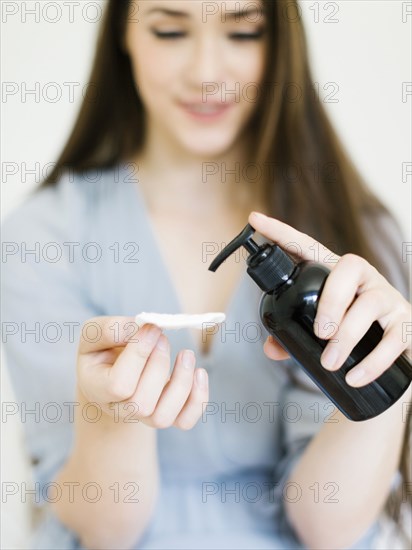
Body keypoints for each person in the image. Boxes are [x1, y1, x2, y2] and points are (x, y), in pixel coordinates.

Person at [2, 1, 411, 549]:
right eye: (170, 31)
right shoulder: (42, 238)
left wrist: (385, 379)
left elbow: (329, 527)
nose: (205, 73)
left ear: (279, 44)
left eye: (242, 33)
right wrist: (111, 419)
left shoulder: (358, 235)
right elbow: (102, 528)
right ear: (123, 35)